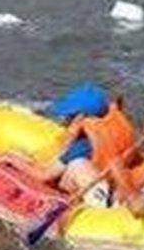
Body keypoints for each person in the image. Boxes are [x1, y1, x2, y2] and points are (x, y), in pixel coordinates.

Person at [8, 84, 136, 197]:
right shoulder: (112, 126)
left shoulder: (83, 146)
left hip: (95, 186)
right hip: (111, 176)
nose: (65, 120)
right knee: (54, 163)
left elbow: (43, 176)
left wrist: (13, 160)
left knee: (72, 167)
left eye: (69, 116)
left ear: (81, 118)